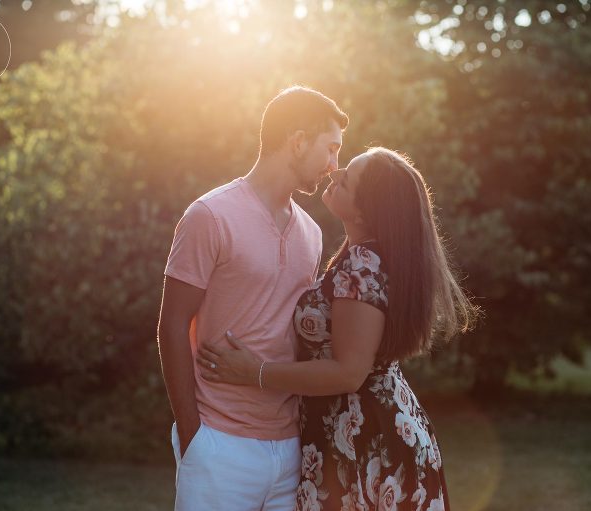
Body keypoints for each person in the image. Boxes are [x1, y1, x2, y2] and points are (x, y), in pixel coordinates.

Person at [198, 147, 477, 511]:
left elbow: (348, 373)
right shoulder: (374, 256)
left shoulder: (361, 263)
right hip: (377, 430)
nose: (333, 173)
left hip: (363, 440)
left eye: (345, 179)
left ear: (364, 210)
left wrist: (256, 373)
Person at [156, 86, 349, 510]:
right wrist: (193, 436)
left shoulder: (312, 235)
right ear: (297, 141)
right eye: (330, 149)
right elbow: (171, 325)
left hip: (290, 448)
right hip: (219, 445)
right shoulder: (209, 216)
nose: (335, 166)